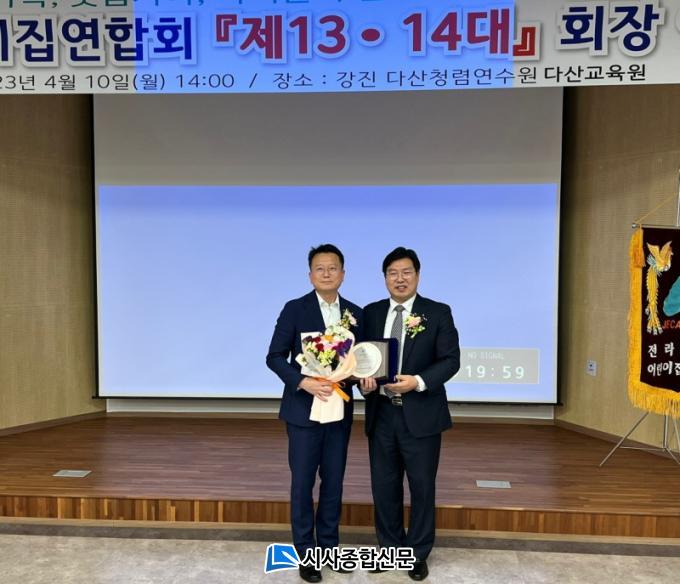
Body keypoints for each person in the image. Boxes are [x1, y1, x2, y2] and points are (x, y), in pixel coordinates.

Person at [360, 247, 460, 582]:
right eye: (393, 273)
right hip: (381, 415)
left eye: (406, 272)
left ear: (417, 275)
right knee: (384, 487)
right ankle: (390, 550)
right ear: (384, 278)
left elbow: (450, 360)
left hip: (421, 415)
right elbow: (362, 360)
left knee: (421, 487)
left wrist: (417, 381)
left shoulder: (437, 312)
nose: (399, 279)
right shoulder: (371, 313)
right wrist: (364, 383)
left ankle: (417, 553)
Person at [266, 244, 363, 583]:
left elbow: (360, 361)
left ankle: (330, 549)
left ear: (343, 274)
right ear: (310, 275)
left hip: (339, 413)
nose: (326, 273)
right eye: (319, 268)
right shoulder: (295, 309)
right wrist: (303, 382)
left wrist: (363, 377)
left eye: (332, 268)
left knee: (334, 483)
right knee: (303, 484)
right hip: (303, 413)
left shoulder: (355, 313)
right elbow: (274, 357)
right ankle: (307, 554)